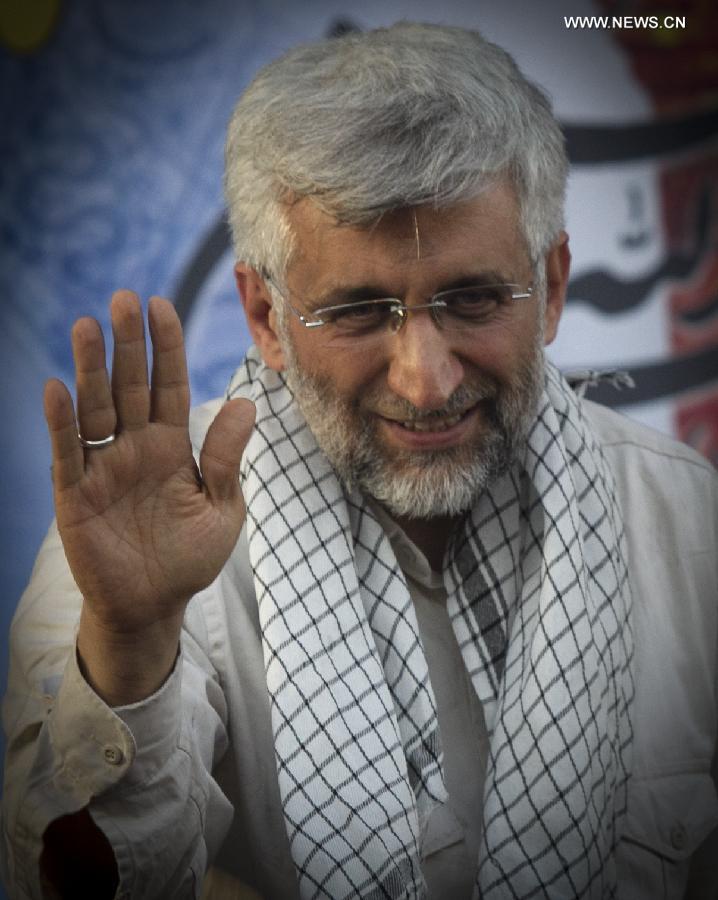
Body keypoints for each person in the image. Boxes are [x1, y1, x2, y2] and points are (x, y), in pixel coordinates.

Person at [2, 21, 717, 900]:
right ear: (266, 317)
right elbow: (74, 882)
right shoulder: (145, 543)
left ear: (554, 287)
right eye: (357, 311)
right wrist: (131, 643)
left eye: (473, 299)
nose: (425, 381)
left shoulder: (688, 528)